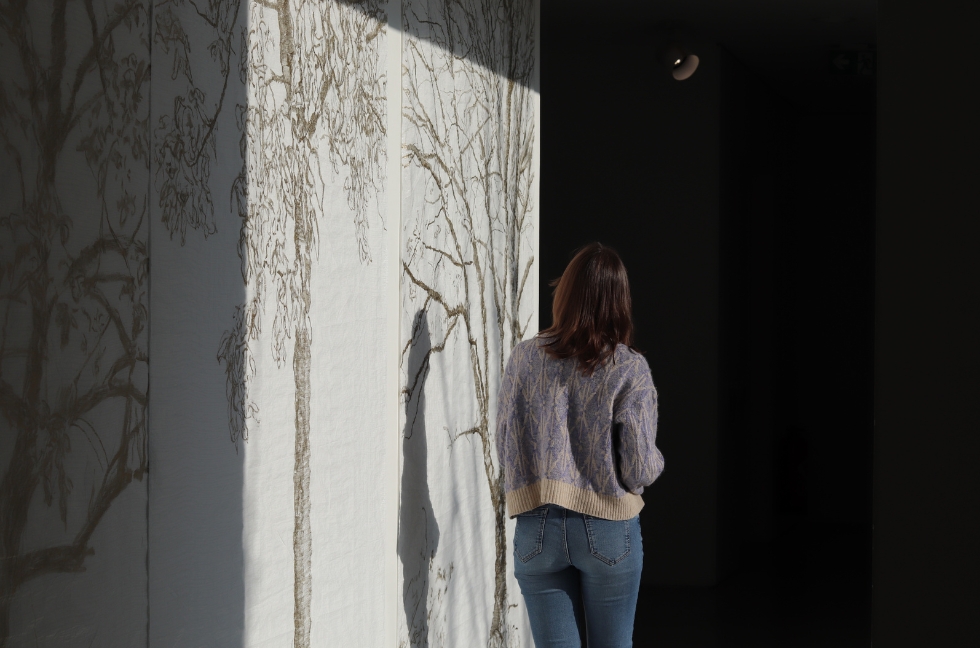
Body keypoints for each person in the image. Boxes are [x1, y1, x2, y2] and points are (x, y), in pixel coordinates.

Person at [495, 242, 664, 648]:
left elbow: (506, 444)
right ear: (619, 302)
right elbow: (639, 469)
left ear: (565, 293)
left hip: (536, 528)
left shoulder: (523, 358)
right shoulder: (629, 368)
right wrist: (655, 462)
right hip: (608, 528)